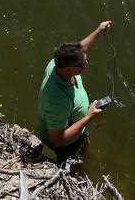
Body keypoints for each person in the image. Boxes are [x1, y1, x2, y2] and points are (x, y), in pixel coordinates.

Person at [36, 20, 112, 163]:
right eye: (82, 64)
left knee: (85, 149)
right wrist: (88, 117)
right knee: (76, 166)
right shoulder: (57, 101)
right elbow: (58, 140)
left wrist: (99, 30)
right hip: (65, 145)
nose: (86, 64)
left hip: (77, 128)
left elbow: (81, 48)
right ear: (68, 69)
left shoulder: (58, 62)